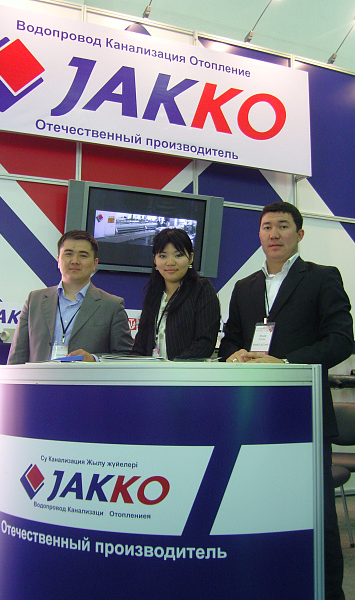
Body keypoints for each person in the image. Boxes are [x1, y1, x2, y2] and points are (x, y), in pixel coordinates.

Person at [218, 201, 353, 600]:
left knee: (316, 517)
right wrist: (233, 355)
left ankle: (328, 592)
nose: (273, 234)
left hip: (303, 415)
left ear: (300, 233)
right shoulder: (244, 286)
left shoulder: (323, 278)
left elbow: (341, 341)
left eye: (282, 226)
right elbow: (231, 339)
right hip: (252, 416)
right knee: (258, 509)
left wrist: (287, 362)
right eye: (266, 227)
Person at [7, 230, 133, 364]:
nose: (75, 261)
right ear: (58, 260)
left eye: (83, 255)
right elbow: (17, 356)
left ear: (95, 264)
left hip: (84, 378)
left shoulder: (112, 306)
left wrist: (94, 359)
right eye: (68, 254)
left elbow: (124, 356)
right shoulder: (35, 300)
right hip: (39, 377)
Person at [132, 228, 220, 360]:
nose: (170, 262)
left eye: (178, 255)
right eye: (163, 256)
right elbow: (140, 345)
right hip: (151, 371)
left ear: (190, 258)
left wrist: (172, 367)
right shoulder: (153, 295)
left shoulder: (202, 290)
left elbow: (205, 343)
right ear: (155, 260)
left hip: (185, 371)